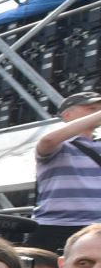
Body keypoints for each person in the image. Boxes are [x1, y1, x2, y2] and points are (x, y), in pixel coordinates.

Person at [30, 90, 101, 250]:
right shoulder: (61, 145)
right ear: (67, 115)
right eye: (91, 108)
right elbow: (48, 140)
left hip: (96, 228)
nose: (97, 112)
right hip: (56, 226)